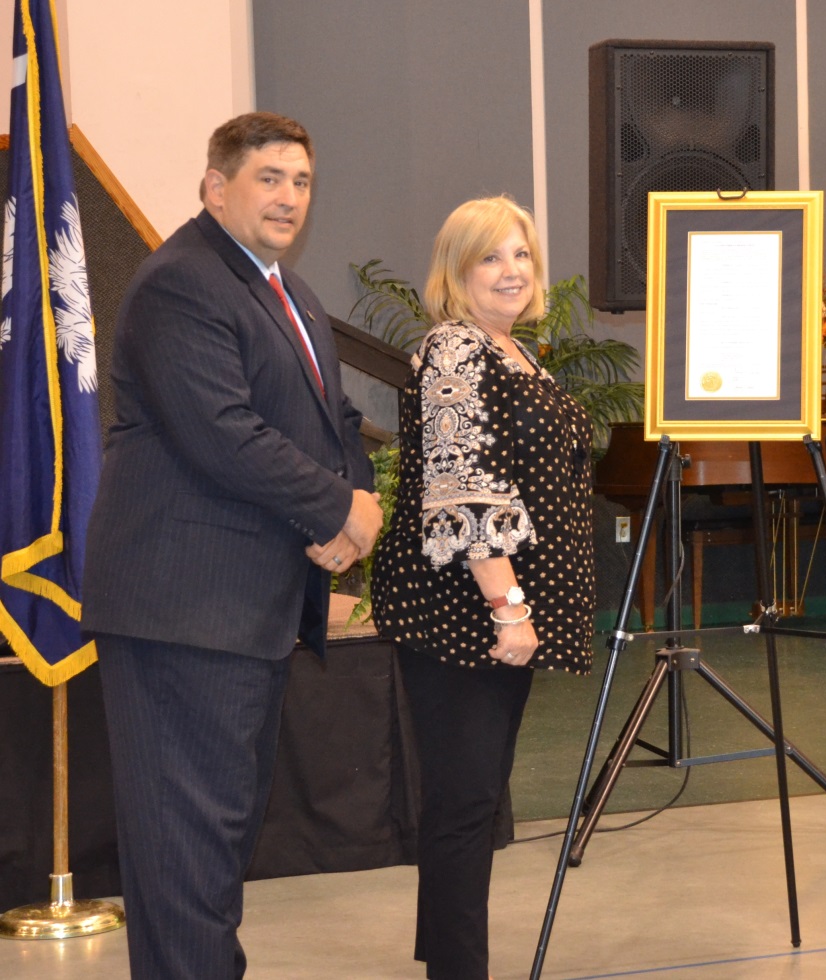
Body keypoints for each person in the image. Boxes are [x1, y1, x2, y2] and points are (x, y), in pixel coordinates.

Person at [82, 111, 383, 979]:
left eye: (302, 182)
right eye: (270, 178)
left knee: (209, 848)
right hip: (184, 616)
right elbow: (223, 432)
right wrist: (336, 511)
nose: (290, 197)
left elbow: (338, 420)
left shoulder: (287, 291)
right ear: (216, 186)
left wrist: (354, 499)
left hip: (235, 618)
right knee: (186, 854)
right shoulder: (182, 283)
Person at [370, 196, 595, 980]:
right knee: (466, 806)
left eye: (522, 256)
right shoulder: (458, 349)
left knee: (469, 800)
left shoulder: (514, 353)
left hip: (494, 618)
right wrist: (509, 606)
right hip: (465, 616)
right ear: (456, 273)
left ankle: (449, 956)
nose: (512, 272)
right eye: (491, 258)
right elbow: (463, 484)